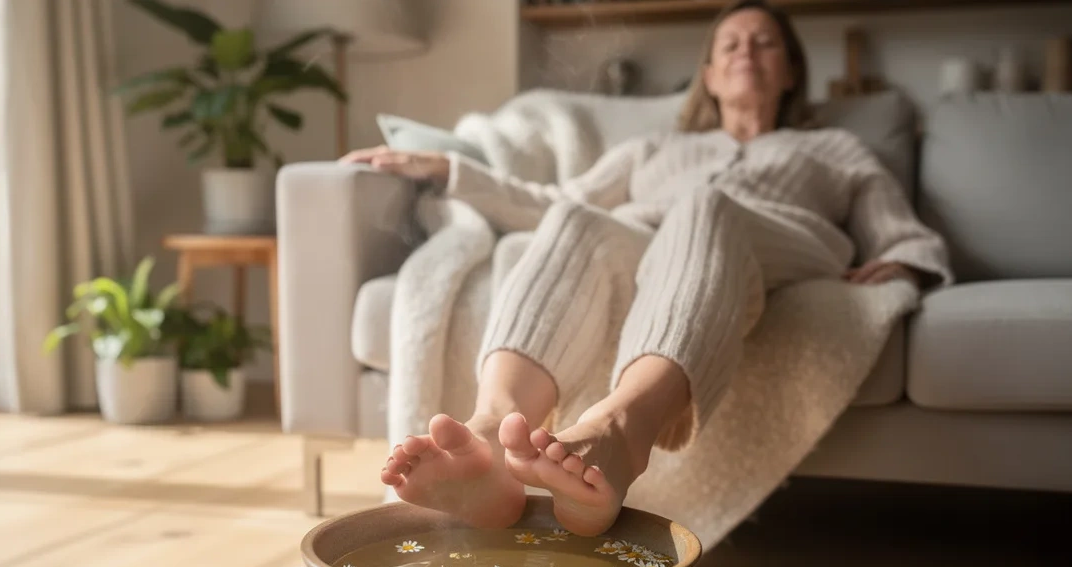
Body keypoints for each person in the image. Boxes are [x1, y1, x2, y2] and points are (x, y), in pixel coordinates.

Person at [341, 0, 950, 537]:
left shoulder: (834, 149)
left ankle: (617, 435)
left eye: (766, 43)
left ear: (791, 70)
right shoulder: (655, 149)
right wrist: (451, 170)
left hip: (775, 241)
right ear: (708, 73)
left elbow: (902, 233)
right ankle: (491, 439)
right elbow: (552, 200)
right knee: (577, 220)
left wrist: (902, 262)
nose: (747, 52)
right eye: (730, 43)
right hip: (648, 240)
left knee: (706, 205)